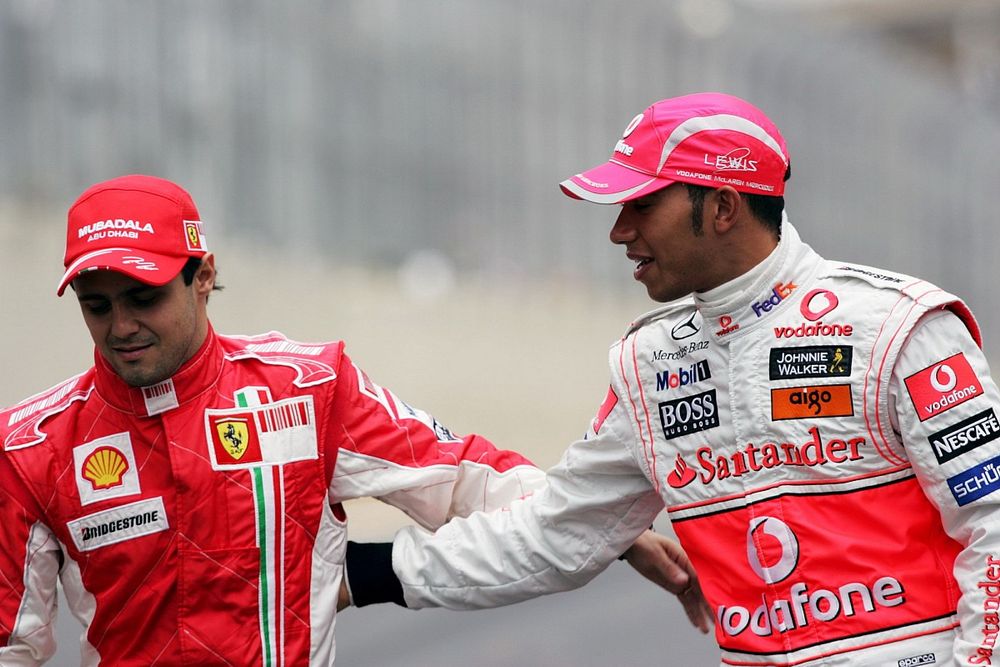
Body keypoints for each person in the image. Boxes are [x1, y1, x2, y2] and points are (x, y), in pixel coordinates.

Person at [343, 92, 1000, 666]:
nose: (619, 230)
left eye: (643, 204)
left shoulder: (898, 328)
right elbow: (552, 532)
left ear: (721, 206)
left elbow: (992, 523)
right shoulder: (649, 363)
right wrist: (354, 574)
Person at [0, 174, 704, 665]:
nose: (121, 325)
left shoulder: (305, 390)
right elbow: (13, 643)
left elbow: (463, 478)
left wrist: (601, 523)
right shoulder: (31, 446)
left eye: (142, 297)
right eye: (97, 305)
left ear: (203, 274)